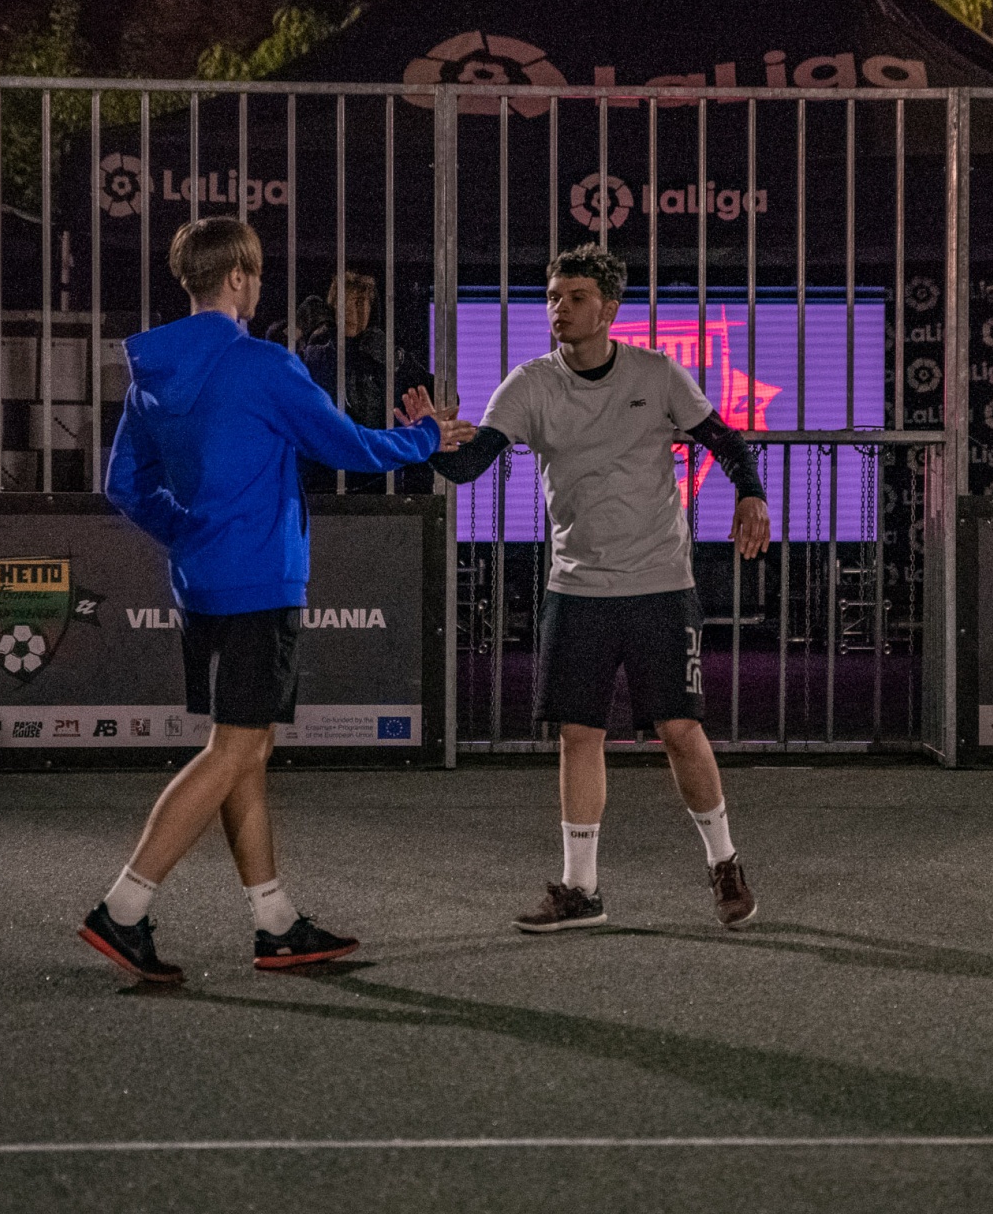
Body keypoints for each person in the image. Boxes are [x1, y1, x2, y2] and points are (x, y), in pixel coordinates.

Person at [81, 216, 472, 983]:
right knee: (234, 750)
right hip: (261, 580)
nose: (259, 289)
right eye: (256, 276)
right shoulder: (263, 365)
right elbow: (350, 447)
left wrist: (189, 530)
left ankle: (275, 922)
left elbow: (123, 484)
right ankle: (122, 909)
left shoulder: (151, 372)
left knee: (246, 750)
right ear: (237, 278)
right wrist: (426, 437)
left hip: (201, 582)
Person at [427, 242, 771, 932]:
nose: (560, 308)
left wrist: (751, 494)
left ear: (608, 309)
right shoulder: (528, 384)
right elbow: (469, 466)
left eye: (576, 297)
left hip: (659, 583)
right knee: (578, 733)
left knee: (679, 729)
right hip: (576, 586)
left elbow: (727, 442)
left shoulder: (656, 373)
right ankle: (581, 889)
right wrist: (428, 441)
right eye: (553, 297)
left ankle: (724, 863)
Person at [278, 270, 434, 493]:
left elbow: (443, 397)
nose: (353, 311)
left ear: (371, 308)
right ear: (333, 306)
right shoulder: (315, 354)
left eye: (361, 302)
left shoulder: (384, 354)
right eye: (345, 302)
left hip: (380, 484)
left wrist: (400, 362)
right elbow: (274, 371)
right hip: (321, 485)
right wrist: (299, 328)